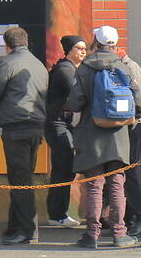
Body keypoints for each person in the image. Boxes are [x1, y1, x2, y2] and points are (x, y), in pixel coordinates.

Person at [66, 26, 141, 249]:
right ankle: (120, 233)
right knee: (117, 184)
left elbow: (74, 103)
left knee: (94, 186)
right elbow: (139, 104)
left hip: (91, 134)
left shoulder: (85, 68)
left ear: (95, 42)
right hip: (118, 136)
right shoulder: (123, 67)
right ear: (115, 44)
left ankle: (92, 235)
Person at [0, 27, 49, 245]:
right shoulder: (39, 65)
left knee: (20, 180)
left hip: (16, 127)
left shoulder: (7, 63)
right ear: (26, 42)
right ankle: (14, 226)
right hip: (36, 126)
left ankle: (28, 232)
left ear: (7, 45)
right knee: (23, 176)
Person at [45, 35, 86, 228]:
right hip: (58, 124)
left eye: (84, 48)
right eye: (78, 48)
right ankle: (57, 213)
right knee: (64, 168)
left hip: (63, 124)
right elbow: (77, 96)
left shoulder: (70, 69)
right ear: (68, 50)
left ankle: (57, 213)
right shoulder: (65, 70)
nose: (83, 51)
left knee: (64, 169)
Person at [116, 48, 141, 238]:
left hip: (133, 125)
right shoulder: (124, 67)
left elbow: (140, 99)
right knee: (125, 170)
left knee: (130, 170)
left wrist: (131, 118)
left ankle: (140, 215)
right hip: (129, 124)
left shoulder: (130, 67)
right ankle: (129, 216)